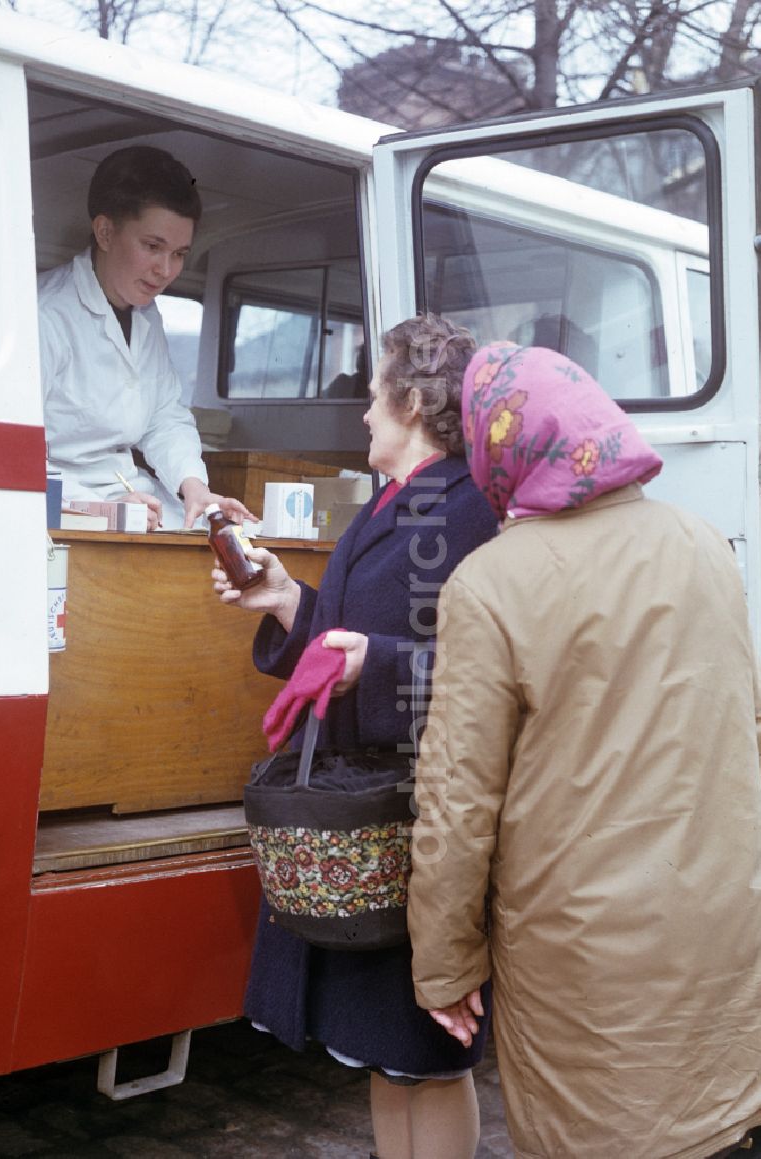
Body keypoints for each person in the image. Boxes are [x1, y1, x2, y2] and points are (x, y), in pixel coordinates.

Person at [406, 342, 761, 1158]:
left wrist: (445, 966)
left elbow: (457, 803)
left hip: (583, 967)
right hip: (721, 937)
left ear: (498, 450)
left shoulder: (488, 583)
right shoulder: (703, 545)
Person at [213, 314, 498, 1159]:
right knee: (382, 1046)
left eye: (375, 394)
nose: (364, 413)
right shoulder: (394, 500)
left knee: (428, 1054)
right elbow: (348, 634)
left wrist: (377, 665)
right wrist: (284, 600)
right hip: (368, 821)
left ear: (412, 399)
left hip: (421, 821)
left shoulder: (472, 509)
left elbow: (487, 669)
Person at [37, 145, 252, 530]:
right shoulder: (45, 315)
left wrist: (195, 487)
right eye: (152, 247)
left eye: (179, 253)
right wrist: (94, 508)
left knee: (232, 539)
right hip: (57, 504)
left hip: (131, 493)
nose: (166, 270)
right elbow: (16, 458)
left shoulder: (147, 316)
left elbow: (164, 418)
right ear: (105, 232)